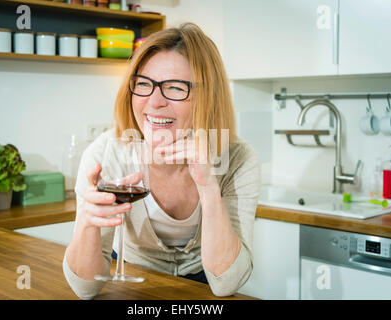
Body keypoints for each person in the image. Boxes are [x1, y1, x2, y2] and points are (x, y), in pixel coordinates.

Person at [63, 22, 260, 299]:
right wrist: (87, 222)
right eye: (144, 84)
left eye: (175, 88)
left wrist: (208, 186)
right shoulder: (107, 153)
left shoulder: (238, 158)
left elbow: (226, 284)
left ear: (208, 96)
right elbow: (85, 289)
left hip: (203, 287)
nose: (154, 102)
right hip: (130, 283)